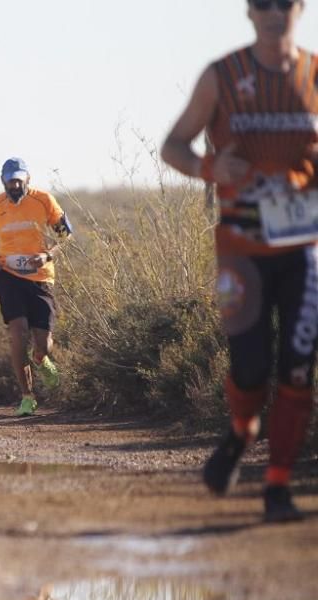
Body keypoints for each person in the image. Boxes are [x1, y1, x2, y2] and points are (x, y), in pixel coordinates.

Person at [161, 0, 317, 523]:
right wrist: (210, 165)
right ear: (250, 12)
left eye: (286, 4)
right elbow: (172, 146)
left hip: (303, 251)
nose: (276, 14)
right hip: (240, 250)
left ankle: (277, 488)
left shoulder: (315, 74)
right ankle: (241, 429)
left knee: (298, 368)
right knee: (250, 368)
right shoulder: (222, 76)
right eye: (265, 4)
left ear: (301, 9)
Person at [0, 157, 72, 417]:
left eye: (19, 179)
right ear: (3, 181)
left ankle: (41, 359)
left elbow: (65, 234)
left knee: (43, 342)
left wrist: (48, 254)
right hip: (8, 275)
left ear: (27, 179)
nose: (15, 184)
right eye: (11, 180)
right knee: (17, 332)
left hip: (41, 276)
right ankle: (27, 396)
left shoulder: (44, 201)